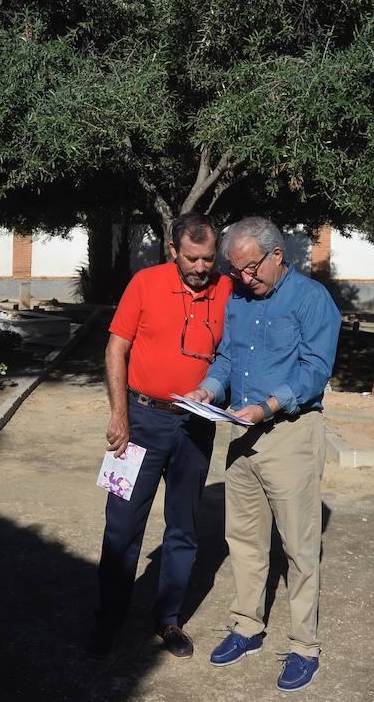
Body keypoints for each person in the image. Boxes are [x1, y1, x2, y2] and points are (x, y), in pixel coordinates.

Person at [185, 216, 341, 692]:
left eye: (251, 269)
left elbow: (315, 370)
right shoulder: (238, 298)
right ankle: (247, 626)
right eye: (236, 272)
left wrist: (269, 405)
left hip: (290, 431)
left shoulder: (313, 300)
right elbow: (228, 357)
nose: (245, 279)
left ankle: (303, 646)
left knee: (297, 546)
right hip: (241, 430)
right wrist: (209, 390)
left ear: (277, 255)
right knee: (245, 538)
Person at [89, 213, 234, 659]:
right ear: (173, 252)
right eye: (191, 258)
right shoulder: (145, 283)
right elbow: (117, 347)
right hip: (141, 419)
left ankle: (168, 619)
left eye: (208, 259)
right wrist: (119, 415)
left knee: (184, 527)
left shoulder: (227, 289)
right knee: (122, 528)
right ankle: (109, 619)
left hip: (196, 424)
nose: (200, 268)